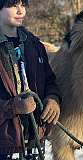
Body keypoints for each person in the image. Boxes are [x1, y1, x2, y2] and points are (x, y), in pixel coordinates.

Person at [0, 0, 61, 159]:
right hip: (3, 147)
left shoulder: (35, 45)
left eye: (23, 5)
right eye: (13, 5)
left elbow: (50, 81)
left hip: (34, 144)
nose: (21, 11)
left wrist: (53, 99)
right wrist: (12, 107)